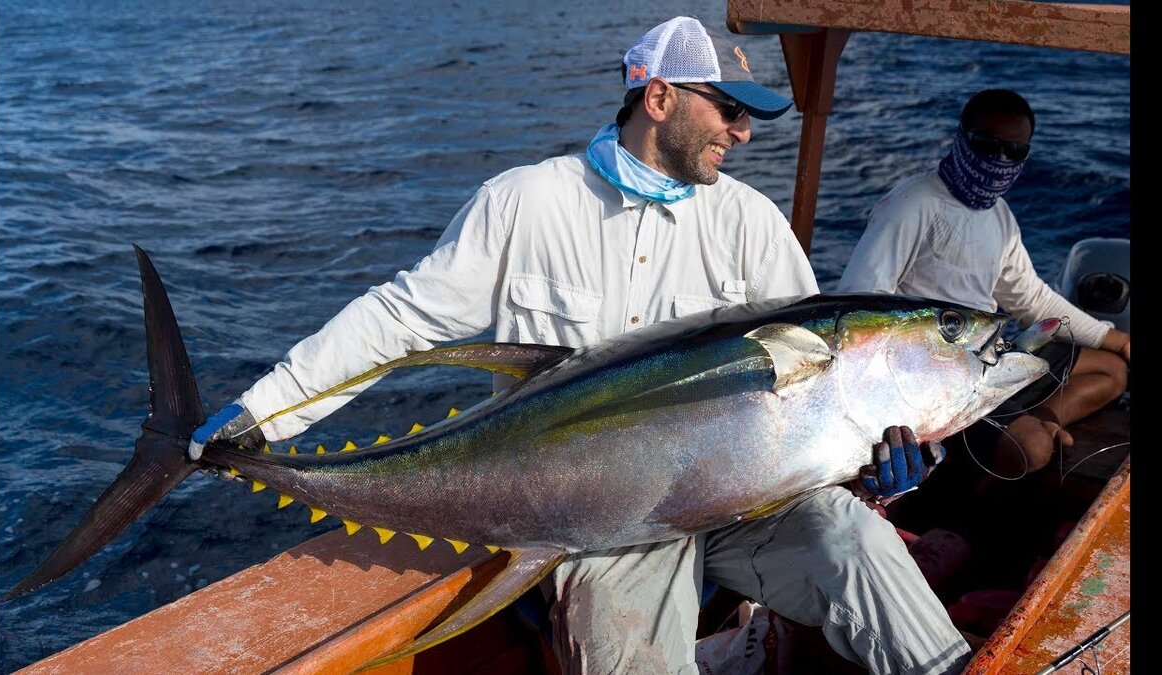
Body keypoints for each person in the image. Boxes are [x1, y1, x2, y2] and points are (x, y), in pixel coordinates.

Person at [189, 17, 971, 674]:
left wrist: (881, 465)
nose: (740, 131)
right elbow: (403, 317)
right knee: (629, 641)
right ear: (659, 97)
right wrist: (266, 412)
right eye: (729, 108)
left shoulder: (749, 224)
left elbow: (828, 378)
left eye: (749, 116)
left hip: (747, 500)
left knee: (857, 541)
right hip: (595, 520)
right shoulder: (528, 203)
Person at [838, 88, 1130, 478]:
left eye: (1014, 152)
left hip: (990, 356)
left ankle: (1043, 417)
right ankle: (984, 488)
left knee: (1112, 370)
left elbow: (1030, 298)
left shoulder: (1000, 215)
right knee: (1033, 451)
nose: (998, 159)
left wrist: (1120, 340)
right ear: (961, 137)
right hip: (939, 378)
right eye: (985, 144)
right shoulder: (914, 203)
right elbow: (861, 299)